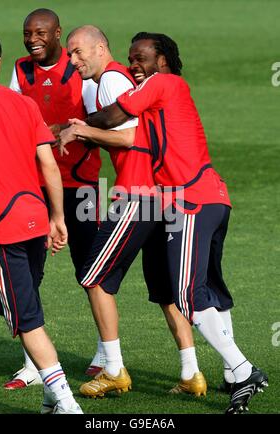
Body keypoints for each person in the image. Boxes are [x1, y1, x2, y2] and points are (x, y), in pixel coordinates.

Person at [64, 31, 269, 414]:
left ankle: (243, 370)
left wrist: (71, 128)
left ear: (162, 61)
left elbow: (114, 118)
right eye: (131, 59)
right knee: (209, 289)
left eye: (140, 58)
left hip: (190, 199)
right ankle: (226, 372)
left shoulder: (163, 83)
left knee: (187, 294)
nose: (134, 66)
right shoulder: (167, 92)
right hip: (210, 197)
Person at [60, 25, 207, 399]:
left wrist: (80, 132)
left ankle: (112, 369)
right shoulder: (122, 80)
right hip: (162, 195)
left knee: (92, 277)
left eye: (78, 52)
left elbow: (131, 135)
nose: (72, 61)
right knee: (163, 290)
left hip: (138, 194)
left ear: (99, 49)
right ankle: (192, 372)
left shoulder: (110, 80)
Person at [0, 32, 82, 414]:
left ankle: (68, 404)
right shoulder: (23, 104)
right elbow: (49, 163)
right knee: (31, 304)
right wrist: (57, 217)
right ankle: (49, 401)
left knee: (26, 318)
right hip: (35, 216)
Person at [5, 8, 101, 389]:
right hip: (32, 186)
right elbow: (10, 118)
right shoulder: (20, 70)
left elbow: (103, 120)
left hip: (81, 185)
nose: (33, 39)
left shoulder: (80, 69)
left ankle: (107, 356)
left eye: (41, 32)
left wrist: (68, 130)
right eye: (28, 33)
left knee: (92, 271)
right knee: (29, 273)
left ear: (58, 33)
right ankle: (31, 363)